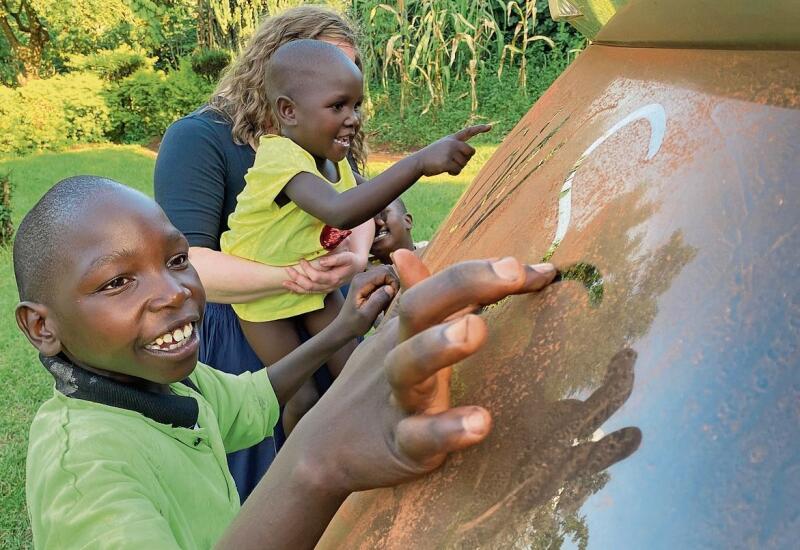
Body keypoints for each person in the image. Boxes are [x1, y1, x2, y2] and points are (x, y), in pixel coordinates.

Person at [15, 176, 558, 548]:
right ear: (43, 327)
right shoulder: (83, 471)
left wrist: (352, 333)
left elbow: (252, 400)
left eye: (177, 260)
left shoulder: (165, 383)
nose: (175, 292)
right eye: (117, 282)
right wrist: (320, 464)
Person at [154, 6, 372, 499]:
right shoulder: (200, 138)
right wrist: (292, 278)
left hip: (323, 311)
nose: (345, 99)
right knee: (272, 472)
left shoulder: (323, 131)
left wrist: (355, 259)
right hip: (245, 331)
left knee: (352, 422)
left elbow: (357, 200)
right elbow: (183, 264)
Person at [219, 38, 490, 435]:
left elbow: (365, 199)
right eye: (337, 106)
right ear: (288, 111)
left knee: (353, 369)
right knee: (301, 396)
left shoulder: (331, 158)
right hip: (262, 293)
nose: (353, 118)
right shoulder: (281, 158)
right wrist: (418, 161)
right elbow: (341, 210)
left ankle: (383, 438)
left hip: (312, 279)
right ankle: (295, 471)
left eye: (356, 105)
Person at [370, 197, 427, 265]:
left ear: (407, 221)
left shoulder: (434, 250)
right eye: (368, 222)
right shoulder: (362, 272)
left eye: (382, 215)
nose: (377, 224)